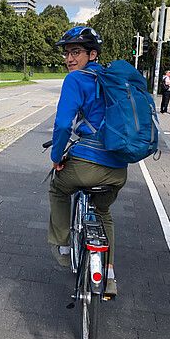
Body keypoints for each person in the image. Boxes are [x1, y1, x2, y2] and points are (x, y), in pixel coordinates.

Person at [48, 26, 127, 297]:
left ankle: (64, 245)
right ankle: (109, 274)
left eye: (77, 52)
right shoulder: (112, 79)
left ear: (92, 54)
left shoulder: (76, 80)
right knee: (103, 214)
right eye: (67, 53)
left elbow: (61, 126)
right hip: (118, 170)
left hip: (84, 167)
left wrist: (56, 157)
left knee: (57, 187)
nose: (70, 59)